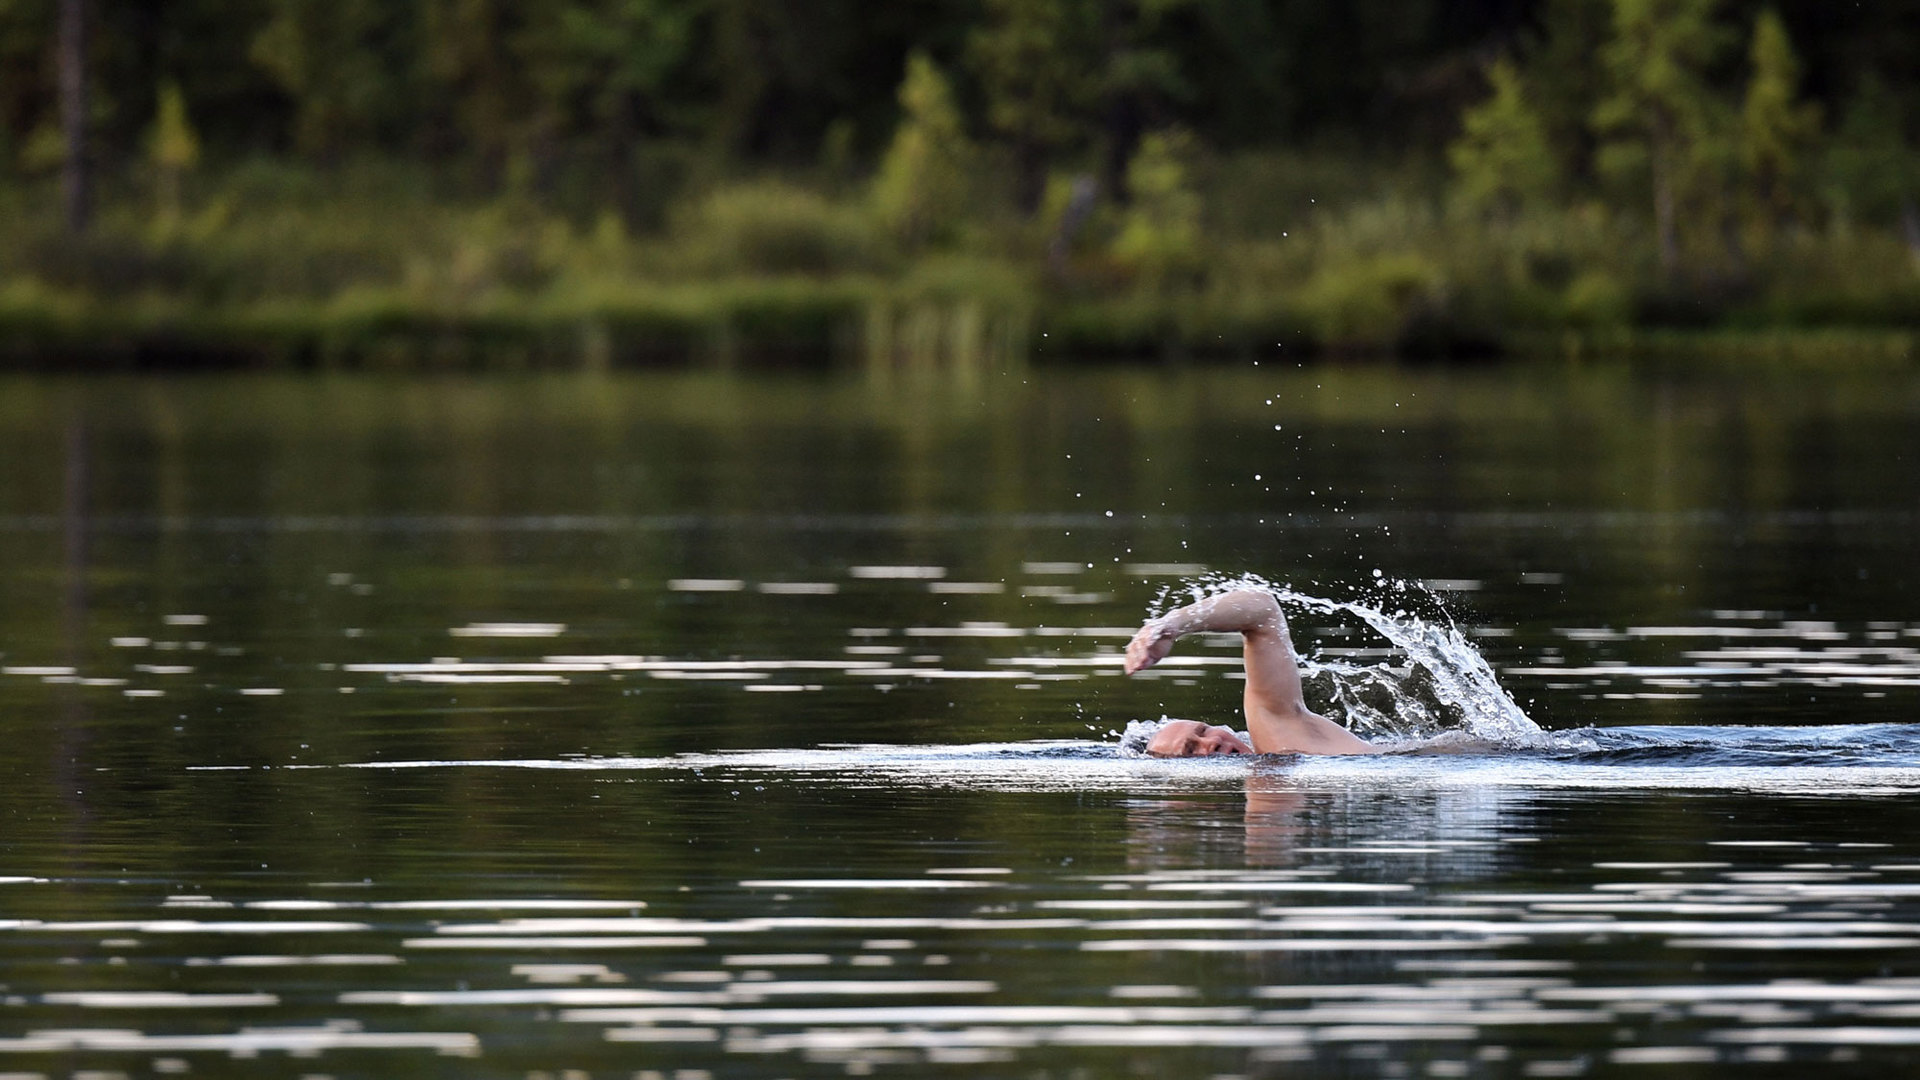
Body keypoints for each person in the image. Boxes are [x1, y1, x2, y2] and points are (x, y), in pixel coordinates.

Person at [1123, 588, 1378, 757]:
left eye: (1203, 731)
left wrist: (1171, 626)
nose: (1210, 743)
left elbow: (1263, 610)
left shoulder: (1281, 740)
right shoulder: (1272, 778)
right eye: (1191, 750)